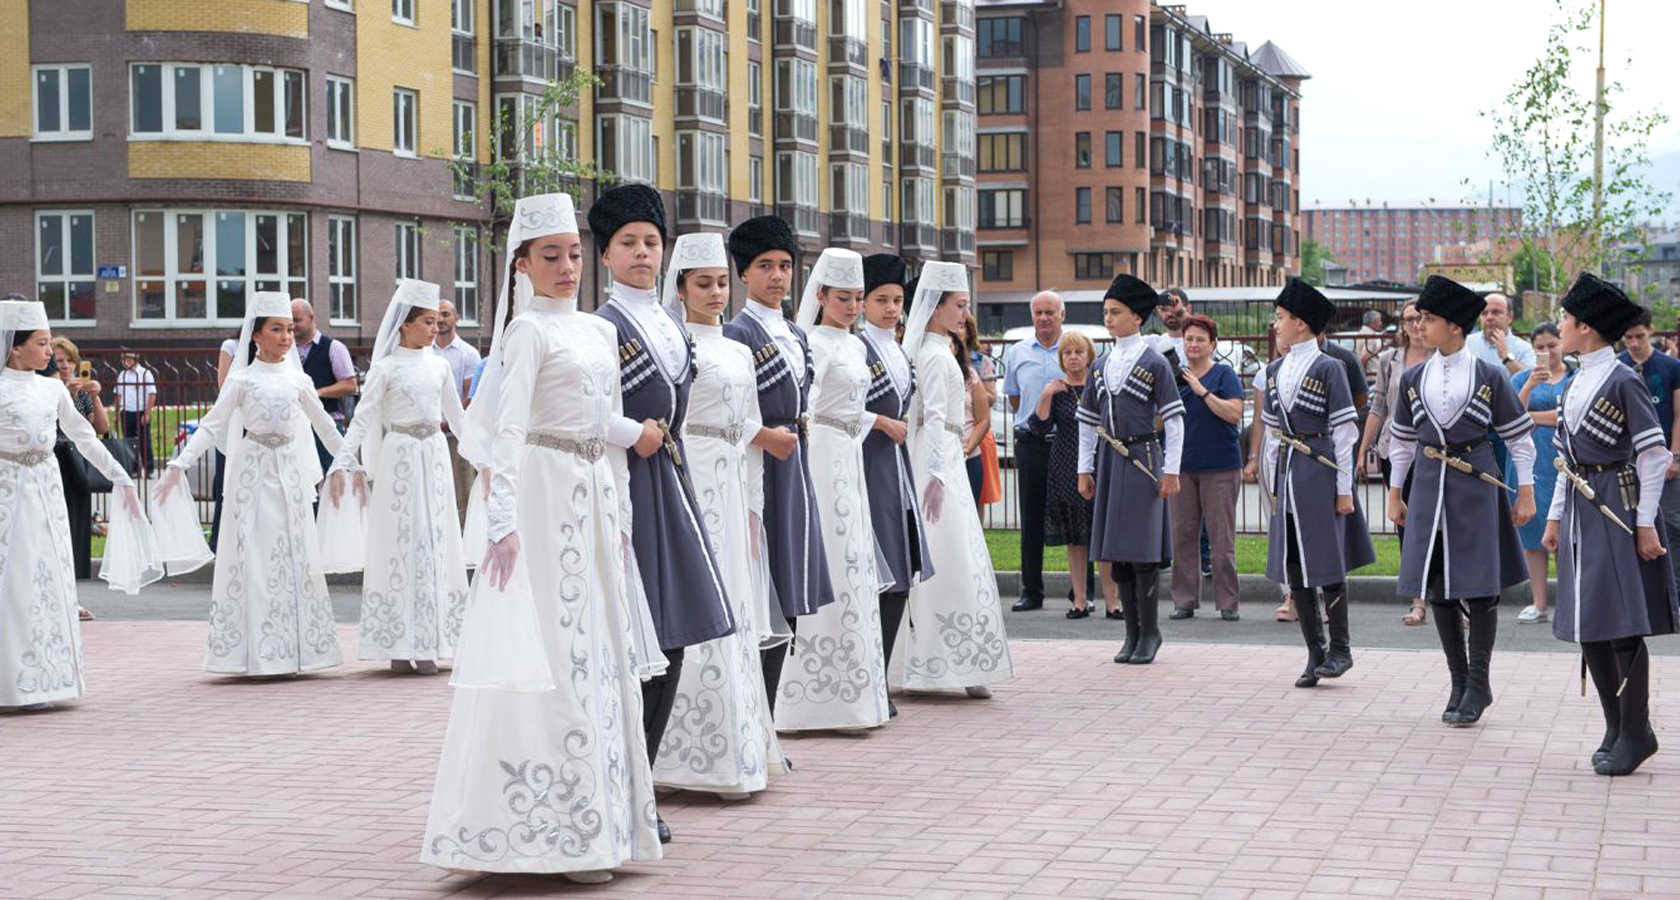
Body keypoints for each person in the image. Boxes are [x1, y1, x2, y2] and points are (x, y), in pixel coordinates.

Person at [424, 191, 663, 881]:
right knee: (554, 648)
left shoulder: (594, 330)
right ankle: (547, 829)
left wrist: (618, 515)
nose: (565, 267)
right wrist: (501, 524)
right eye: (550, 257)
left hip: (590, 495)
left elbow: (606, 426)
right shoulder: (527, 332)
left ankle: (600, 822)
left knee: (596, 650)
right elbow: (506, 431)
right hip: (542, 492)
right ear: (522, 265)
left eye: (573, 255)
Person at [590, 183, 737, 841]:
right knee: (635, 640)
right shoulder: (600, 325)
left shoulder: (672, 324)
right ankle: (624, 789)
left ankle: (641, 782)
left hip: (669, 482)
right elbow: (577, 405)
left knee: (675, 634)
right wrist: (631, 434)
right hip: (625, 488)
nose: (642, 252)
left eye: (651, 241)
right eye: (629, 243)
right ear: (606, 254)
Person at [650, 232, 785, 798]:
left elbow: (752, 429)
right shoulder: (676, 347)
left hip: (731, 480)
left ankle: (737, 745)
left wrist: (753, 504)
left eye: (721, 282)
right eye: (702, 283)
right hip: (694, 472)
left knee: (736, 603)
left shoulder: (735, 346)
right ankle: (683, 754)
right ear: (679, 289)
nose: (715, 292)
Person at [155, 292, 345, 677]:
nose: (286, 337)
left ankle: (295, 650)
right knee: (255, 557)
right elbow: (212, 425)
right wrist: (179, 463)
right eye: (277, 329)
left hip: (288, 473)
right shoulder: (241, 379)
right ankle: (257, 651)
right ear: (255, 335)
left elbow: (325, 426)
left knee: (292, 557)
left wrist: (350, 464)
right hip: (252, 473)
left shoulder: (299, 379)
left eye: (290, 330)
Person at [1541, 272, 1677, 777]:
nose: (1559, 326)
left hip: (1616, 510)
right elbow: (1565, 460)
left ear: (1587, 327)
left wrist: (1645, 525)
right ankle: (1615, 725)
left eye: (1565, 319)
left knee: (1619, 624)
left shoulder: (1623, 379)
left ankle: (1637, 731)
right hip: (1581, 510)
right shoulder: (1576, 380)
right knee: (1589, 624)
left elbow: (1652, 455)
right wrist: (1555, 519)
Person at [1386, 276, 1537, 727]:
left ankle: (1479, 681)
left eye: (1428, 319)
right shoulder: (1413, 378)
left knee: (1479, 585)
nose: (1419, 326)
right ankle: (1458, 682)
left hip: (1477, 482)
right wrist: (1395, 492)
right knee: (1437, 585)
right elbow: (1401, 442)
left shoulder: (1489, 375)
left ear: (1454, 326)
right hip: (1428, 485)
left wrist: (1526, 490)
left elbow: (1519, 438)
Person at [1, 300, 158, 710]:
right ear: (14, 348)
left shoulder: (52, 389)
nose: (50, 351)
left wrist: (121, 476)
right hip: (7, 490)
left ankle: (48, 678)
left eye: (49, 342)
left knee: (47, 576)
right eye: (42, 343)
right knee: (12, 580)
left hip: (46, 490)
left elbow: (85, 436)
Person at [323, 279, 469, 675]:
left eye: (437, 321)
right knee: (402, 543)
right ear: (404, 325)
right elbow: (362, 418)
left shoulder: (439, 367)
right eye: (426, 321)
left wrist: (487, 460)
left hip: (434, 456)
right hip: (401, 458)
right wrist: (341, 461)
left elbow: (457, 418)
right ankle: (398, 641)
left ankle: (430, 639)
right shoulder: (385, 369)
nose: (434, 327)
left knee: (435, 542)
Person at [774, 248, 891, 731]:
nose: (852, 306)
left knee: (855, 559)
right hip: (821, 450)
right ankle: (810, 695)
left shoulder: (860, 346)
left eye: (859, 298)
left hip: (849, 453)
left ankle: (855, 690)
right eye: (843, 297)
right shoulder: (812, 344)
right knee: (831, 552)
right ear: (820, 295)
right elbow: (810, 406)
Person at [724, 215, 834, 717]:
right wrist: (764, 437)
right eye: (765, 266)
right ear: (745, 273)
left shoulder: (795, 332)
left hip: (796, 463)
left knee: (793, 582)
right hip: (758, 468)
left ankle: (770, 715)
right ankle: (760, 714)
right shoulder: (736, 333)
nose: (776, 276)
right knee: (763, 582)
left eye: (785, 266)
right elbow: (721, 415)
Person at [895, 262, 1015, 698]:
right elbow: (935, 415)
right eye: (959, 305)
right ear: (935, 307)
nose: (966, 314)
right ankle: (951, 663)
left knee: (957, 551)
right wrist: (936, 473)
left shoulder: (941, 351)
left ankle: (951, 660)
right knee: (948, 552)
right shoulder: (931, 355)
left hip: (944, 452)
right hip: (938, 455)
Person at [1261, 278, 1376, 688]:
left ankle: (1340, 648)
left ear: (1303, 324)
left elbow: (1345, 433)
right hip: (1289, 473)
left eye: (1281, 318)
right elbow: (1273, 433)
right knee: (1294, 565)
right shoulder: (1273, 370)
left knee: (1325, 560)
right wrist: (1271, 484)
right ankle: (1315, 652)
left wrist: (1344, 489)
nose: (1276, 326)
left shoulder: (1330, 367)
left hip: (1319, 469)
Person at [1077, 274, 1185, 666]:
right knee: (1117, 553)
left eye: (1116, 312)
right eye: (1106, 312)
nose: (1109, 318)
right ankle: (1131, 632)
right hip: (1109, 460)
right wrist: (1083, 469)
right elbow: (1088, 420)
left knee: (1142, 552)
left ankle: (1150, 632)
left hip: (1144, 460)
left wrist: (1171, 470)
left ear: (1137, 318)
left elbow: (1174, 421)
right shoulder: (1101, 364)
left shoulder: (1155, 362)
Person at [858, 253, 933, 718]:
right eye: (881, 300)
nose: (891, 309)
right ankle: (869, 680)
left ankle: (880, 676)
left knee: (900, 573)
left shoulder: (897, 350)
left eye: (897, 300)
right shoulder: (858, 348)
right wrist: (880, 421)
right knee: (877, 574)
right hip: (867, 463)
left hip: (896, 463)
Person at [1028, 331, 1118, 619]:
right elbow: (1039, 427)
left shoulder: (1100, 387)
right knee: (1075, 539)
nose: (1073, 358)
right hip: (1065, 467)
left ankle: (1112, 600)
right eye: (1067, 353)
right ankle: (1079, 600)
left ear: (1089, 356)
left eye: (1078, 352)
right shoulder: (1057, 389)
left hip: (1098, 465)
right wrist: (1045, 396)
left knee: (1101, 536)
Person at [1361, 300, 1433, 626]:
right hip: (1395, 451)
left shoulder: (1442, 358)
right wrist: (1364, 449)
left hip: (1433, 453)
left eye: (1421, 318)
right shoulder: (1390, 361)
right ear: (1402, 325)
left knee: (1439, 525)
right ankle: (1418, 600)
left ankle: (1452, 598)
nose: (1416, 325)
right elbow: (1378, 407)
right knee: (1406, 526)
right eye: (1409, 320)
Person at [1168, 314, 1244, 621]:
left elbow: (1234, 413)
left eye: (1200, 339)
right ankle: (1184, 601)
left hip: (1220, 466)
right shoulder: (1175, 376)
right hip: (1182, 466)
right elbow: (1161, 418)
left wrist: (1202, 391)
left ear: (1212, 344)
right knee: (1183, 536)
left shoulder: (1223, 374)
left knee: (1220, 537)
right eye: (1189, 339)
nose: (1194, 344)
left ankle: (1228, 603)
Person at [1004, 291, 1069, 611]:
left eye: (1049, 312)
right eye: (1038, 313)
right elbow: (1016, 400)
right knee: (1030, 520)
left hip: (1067, 445)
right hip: (1030, 443)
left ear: (1062, 315)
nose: (1043, 318)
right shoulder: (1017, 353)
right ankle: (1032, 591)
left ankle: (1080, 592)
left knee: (1076, 518)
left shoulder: (1076, 350)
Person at [1508, 322, 1570, 624]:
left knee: (1564, 529)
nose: (1547, 352)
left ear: (1562, 344)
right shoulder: (1521, 378)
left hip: (1561, 460)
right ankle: (1539, 602)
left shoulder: (1575, 378)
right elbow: (1509, 417)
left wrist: (1531, 416)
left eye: (1552, 345)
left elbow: (1568, 415)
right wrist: (1530, 386)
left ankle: (1568, 601)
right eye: (1540, 347)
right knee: (1532, 532)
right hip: (1530, 463)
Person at [1617, 309, 1680, 601]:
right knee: (1629, 524)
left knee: (1668, 524)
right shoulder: (1619, 366)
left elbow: (1679, 415)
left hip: (1664, 454)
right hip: (1627, 460)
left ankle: (1674, 593)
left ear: (1651, 331)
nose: (1634, 343)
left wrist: (1675, 456)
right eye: (1628, 338)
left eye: (1639, 336)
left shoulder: (1670, 366)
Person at [49, 337, 109, 583]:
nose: (64, 366)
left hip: (77, 463)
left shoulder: (81, 392)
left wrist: (93, 396)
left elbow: (102, 427)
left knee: (77, 518)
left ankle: (77, 575)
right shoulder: (46, 390)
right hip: (55, 458)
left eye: (69, 361)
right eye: (59, 361)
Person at [291, 299, 358, 471]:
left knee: (337, 479)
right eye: (290, 321)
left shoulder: (334, 348)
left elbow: (350, 385)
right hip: (297, 426)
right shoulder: (287, 349)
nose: (293, 325)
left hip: (329, 424)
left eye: (297, 320)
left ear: (311, 318)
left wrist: (317, 393)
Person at [433, 298, 482, 527]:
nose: (440, 320)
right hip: (430, 432)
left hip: (455, 434)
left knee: (461, 488)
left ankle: (463, 538)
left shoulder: (468, 354)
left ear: (456, 318)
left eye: (445, 314)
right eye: (437, 315)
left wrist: (448, 422)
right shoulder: (426, 350)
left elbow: (469, 395)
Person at [956, 312, 1001, 509]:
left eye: (962, 326)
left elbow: (991, 398)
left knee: (979, 496)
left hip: (976, 433)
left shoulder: (980, 363)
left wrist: (976, 392)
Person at [112, 347, 158, 476]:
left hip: (141, 411)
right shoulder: (123, 374)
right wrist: (116, 413)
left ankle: (148, 469)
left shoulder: (145, 373)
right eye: (122, 359)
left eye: (126, 358)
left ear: (134, 359)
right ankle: (133, 469)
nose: (124, 362)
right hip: (127, 411)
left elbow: (152, 394)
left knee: (145, 441)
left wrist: (147, 413)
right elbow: (118, 395)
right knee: (129, 441)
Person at [1356, 309, 1387, 378]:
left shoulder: (1361, 332)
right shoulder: (1370, 335)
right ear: (1373, 322)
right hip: (1372, 374)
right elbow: (1364, 357)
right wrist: (1362, 375)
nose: (1381, 323)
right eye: (1379, 321)